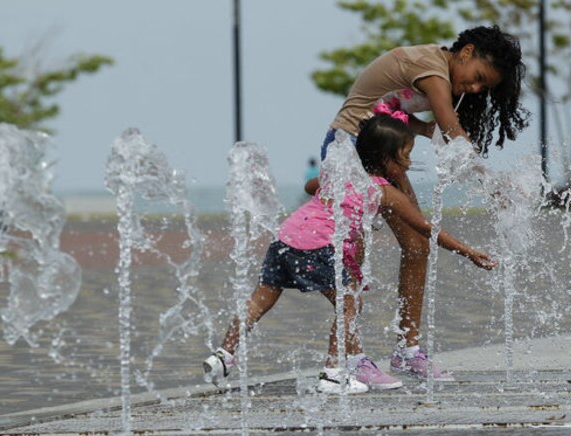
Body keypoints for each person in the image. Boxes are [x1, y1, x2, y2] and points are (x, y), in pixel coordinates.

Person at [203, 110, 496, 394]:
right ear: (385, 159)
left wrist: (331, 181)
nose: (407, 164)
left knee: (259, 300)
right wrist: (467, 251)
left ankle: (223, 355)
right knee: (348, 305)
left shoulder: (343, 177)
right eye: (404, 156)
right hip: (320, 245)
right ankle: (332, 375)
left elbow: (309, 186)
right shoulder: (384, 192)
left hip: (285, 237)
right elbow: (426, 228)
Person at [314, 25, 529, 380]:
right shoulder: (432, 71)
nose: (475, 89)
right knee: (355, 255)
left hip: (382, 153)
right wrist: (493, 186)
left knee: (417, 244)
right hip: (348, 150)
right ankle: (348, 359)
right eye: (476, 78)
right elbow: (451, 129)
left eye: (483, 87)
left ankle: (407, 350)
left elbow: (388, 107)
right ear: (465, 52)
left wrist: (424, 131)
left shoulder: (436, 68)